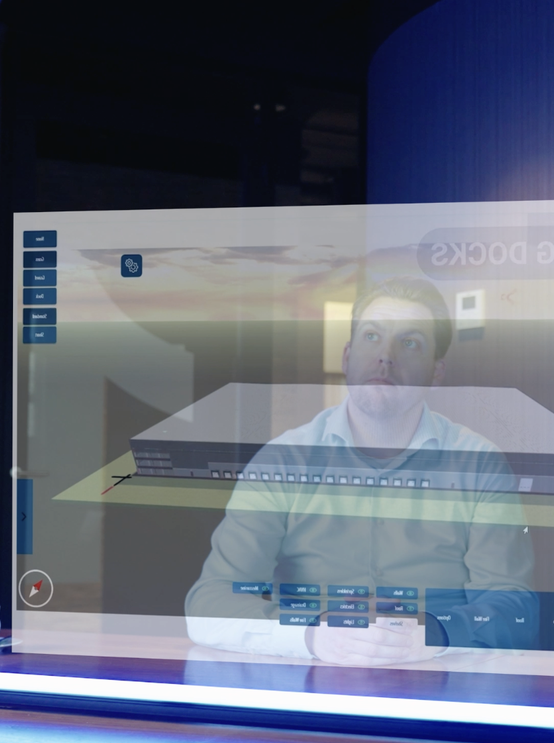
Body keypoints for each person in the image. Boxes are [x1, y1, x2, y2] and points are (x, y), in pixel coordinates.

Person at [185, 276, 535, 666]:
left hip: (439, 677)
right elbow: (210, 602)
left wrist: (434, 632)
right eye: (372, 336)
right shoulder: (282, 461)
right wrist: (311, 635)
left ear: (436, 372)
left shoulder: (480, 464)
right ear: (347, 356)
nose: (386, 356)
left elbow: (513, 610)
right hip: (307, 680)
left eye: (410, 343)